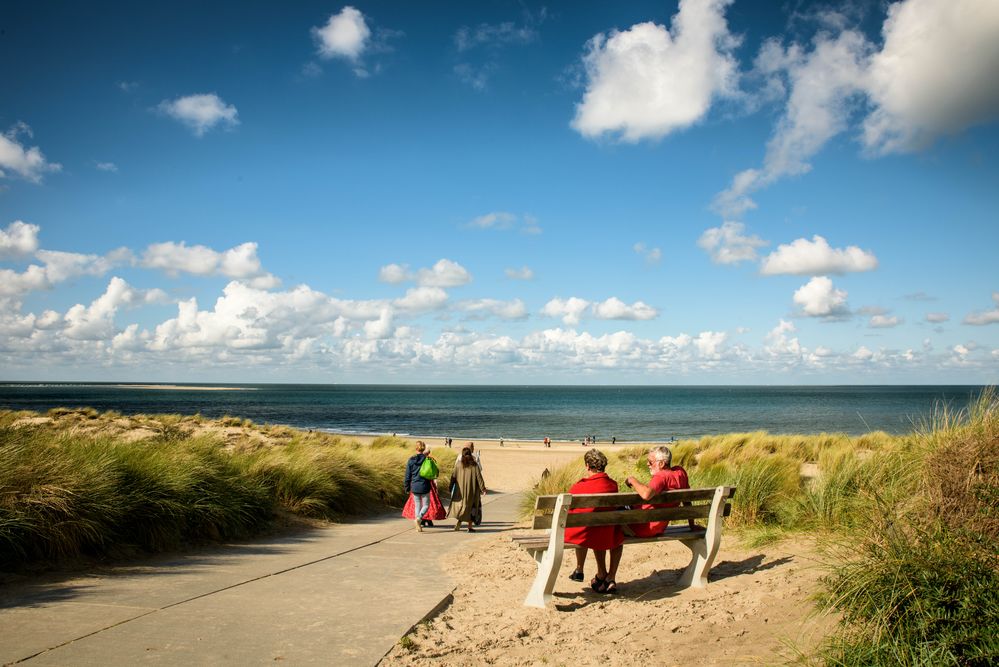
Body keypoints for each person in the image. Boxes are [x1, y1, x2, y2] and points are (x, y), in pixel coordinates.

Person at [564, 449, 624, 594]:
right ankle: (607, 576)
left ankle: (582, 569)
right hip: (604, 530)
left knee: (586, 527)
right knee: (606, 528)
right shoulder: (612, 485)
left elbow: (570, 511)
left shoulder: (579, 486)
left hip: (584, 533)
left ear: (587, 466)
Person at [623, 445, 691, 538]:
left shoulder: (661, 476)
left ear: (661, 464)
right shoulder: (680, 473)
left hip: (642, 527)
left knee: (613, 510)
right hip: (659, 527)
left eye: (650, 462)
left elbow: (646, 494)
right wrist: (692, 525)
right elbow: (687, 500)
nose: (647, 464)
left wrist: (632, 480)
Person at [448, 446, 486, 532]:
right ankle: (469, 527)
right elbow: (479, 478)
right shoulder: (474, 465)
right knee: (471, 508)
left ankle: (460, 520)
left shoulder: (458, 465)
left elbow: (453, 477)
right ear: (470, 454)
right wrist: (483, 488)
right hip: (472, 491)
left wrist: (450, 487)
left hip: (460, 490)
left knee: (462, 506)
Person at [403, 441, 433, 532]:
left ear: (416, 448)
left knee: (417, 506)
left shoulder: (411, 460)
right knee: (426, 505)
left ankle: (418, 524)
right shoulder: (427, 459)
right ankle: (418, 519)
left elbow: (407, 475)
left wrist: (407, 487)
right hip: (425, 485)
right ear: (423, 448)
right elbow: (432, 473)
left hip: (414, 485)